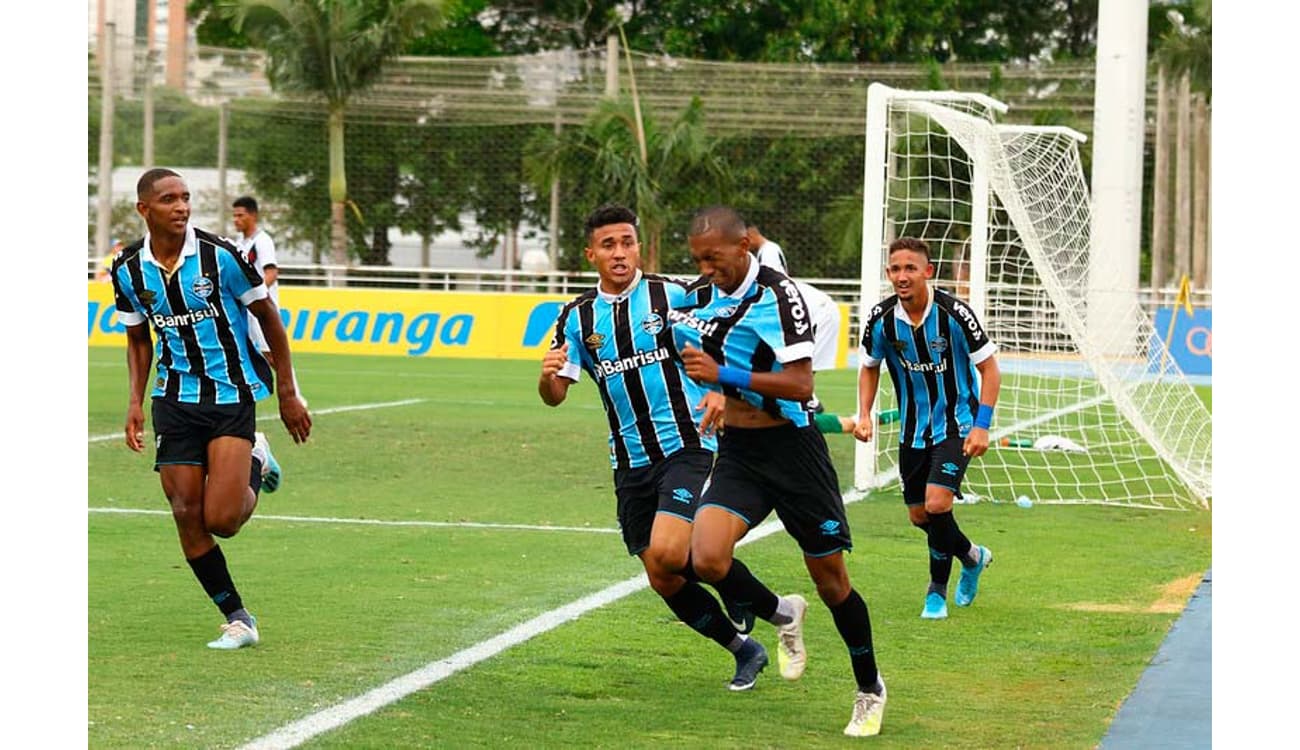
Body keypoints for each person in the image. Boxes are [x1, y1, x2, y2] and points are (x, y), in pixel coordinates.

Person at [538, 204, 808, 693]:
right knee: (662, 575)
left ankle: (745, 591)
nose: (619, 253)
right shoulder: (575, 317)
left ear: (639, 246)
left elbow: (733, 341)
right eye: (608, 245)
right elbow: (555, 395)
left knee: (669, 549)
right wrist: (546, 376)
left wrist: (723, 389)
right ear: (591, 254)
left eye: (627, 242)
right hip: (628, 460)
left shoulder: (676, 295)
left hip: (687, 445)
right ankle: (754, 636)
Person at [674, 206, 887, 737]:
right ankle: (782, 613)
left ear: (744, 245)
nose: (707, 269)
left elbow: (800, 386)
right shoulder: (701, 296)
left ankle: (869, 688)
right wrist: (718, 392)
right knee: (704, 557)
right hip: (741, 452)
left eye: (715, 258)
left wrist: (721, 374)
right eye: (699, 260)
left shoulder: (779, 295)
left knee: (833, 584)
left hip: (794, 454)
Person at [110, 168, 313, 650]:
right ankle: (237, 618)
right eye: (168, 200)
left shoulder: (221, 256)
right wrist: (134, 403)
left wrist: (287, 391)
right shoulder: (128, 268)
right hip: (174, 399)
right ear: (145, 209)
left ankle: (257, 459)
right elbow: (138, 339)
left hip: (229, 395)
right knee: (184, 510)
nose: (181, 207)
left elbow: (268, 317)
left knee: (222, 520)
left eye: (185, 198)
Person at [853, 236, 1000, 621]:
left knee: (937, 505)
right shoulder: (881, 319)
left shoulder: (955, 314)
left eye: (910, 268)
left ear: (927, 272)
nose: (902, 276)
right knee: (920, 516)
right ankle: (972, 556)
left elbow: (989, 369)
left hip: (957, 426)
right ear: (889, 273)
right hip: (912, 432)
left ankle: (936, 592)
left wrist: (981, 426)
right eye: (896, 269)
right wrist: (864, 413)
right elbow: (869, 366)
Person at [747, 224, 842, 404]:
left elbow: (776, 286)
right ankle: (802, 399)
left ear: (750, 234)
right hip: (816, 308)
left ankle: (805, 400)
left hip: (818, 311)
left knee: (798, 363)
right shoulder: (767, 251)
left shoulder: (769, 252)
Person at [231, 196, 305, 404]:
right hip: (246, 310)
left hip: (262, 308)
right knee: (250, 354)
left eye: (240, 215)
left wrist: (255, 295)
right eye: (234, 216)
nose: (236, 220)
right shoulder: (240, 244)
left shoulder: (262, 241)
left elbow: (271, 272)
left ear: (253, 216)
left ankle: (296, 398)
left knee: (273, 355)